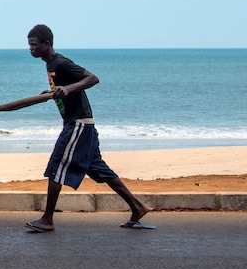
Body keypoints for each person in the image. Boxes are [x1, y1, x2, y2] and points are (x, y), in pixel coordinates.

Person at [24, 24, 153, 232]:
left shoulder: (61, 62)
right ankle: (137, 207)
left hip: (78, 125)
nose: (31, 49)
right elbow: (63, 89)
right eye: (29, 46)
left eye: (34, 45)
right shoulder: (50, 64)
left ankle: (47, 219)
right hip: (82, 125)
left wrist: (67, 88)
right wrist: (51, 92)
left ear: (46, 44)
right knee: (98, 168)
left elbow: (92, 78)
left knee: (56, 165)